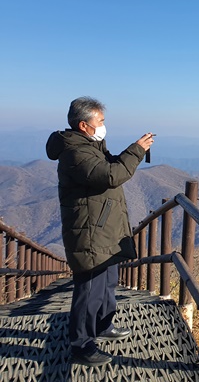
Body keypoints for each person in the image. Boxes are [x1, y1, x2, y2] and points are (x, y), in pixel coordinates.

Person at [46, 96, 154, 367]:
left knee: (106, 282)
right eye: (100, 121)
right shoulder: (75, 153)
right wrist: (136, 150)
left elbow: (108, 167)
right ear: (84, 125)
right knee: (90, 288)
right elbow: (108, 176)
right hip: (90, 232)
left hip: (102, 228)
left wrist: (133, 151)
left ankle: (103, 326)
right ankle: (81, 344)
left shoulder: (89, 145)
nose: (104, 125)